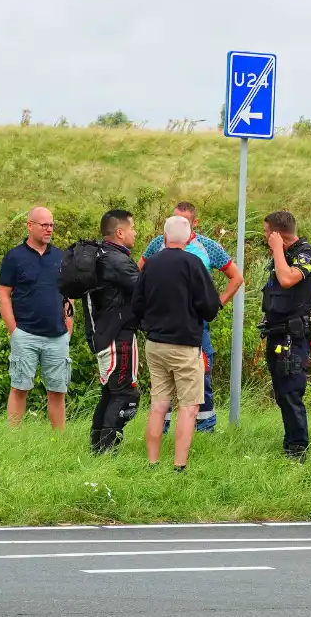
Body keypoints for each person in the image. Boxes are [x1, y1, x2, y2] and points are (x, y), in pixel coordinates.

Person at [139, 201, 243, 434]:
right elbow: (139, 274)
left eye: (184, 220)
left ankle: (205, 427)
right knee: (161, 378)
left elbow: (236, 277)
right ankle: (162, 427)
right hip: (161, 324)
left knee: (202, 372)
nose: (178, 224)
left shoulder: (208, 247)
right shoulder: (157, 244)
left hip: (196, 324)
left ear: (195, 223)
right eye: (174, 218)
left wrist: (216, 306)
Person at [132, 215, 221, 471]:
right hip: (184, 345)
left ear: (165, 235)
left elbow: (136, 304)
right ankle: (179, 466)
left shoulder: (150, 264)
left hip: (155, 344)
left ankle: (152, 462)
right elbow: (210, 307)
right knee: (189, 407)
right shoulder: (193, 264)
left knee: (159, 403)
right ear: (189, 235)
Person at [0, 206, 74, 431]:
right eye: (44, 225)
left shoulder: (61, 257)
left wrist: (69, 326)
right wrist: (14, 331)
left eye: (52, 225)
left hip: (57, 336)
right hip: (26, 335)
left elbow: (67, 294)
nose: (49, 229)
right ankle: (14, 440)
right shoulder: (14, 257)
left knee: (58, 391)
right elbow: (3, 293)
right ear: (29, 226)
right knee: (19, 388)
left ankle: (59, 443)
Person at [258, 210, 311, 463]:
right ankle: (290, 444)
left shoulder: (308, 255)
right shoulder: (283, 256)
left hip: (294, 337)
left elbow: (287, 280)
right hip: (277, 333)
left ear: (276, 233)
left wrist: (276, 249)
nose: (265, 238)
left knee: (291, 392)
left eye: (267, 233)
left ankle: (298, 451)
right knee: (282, 392)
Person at [79, 209, 141, 453]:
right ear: (119, 232)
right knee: (125, 394)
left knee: (111, 392)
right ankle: (108, 450)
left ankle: (98, 447)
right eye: (132, 228)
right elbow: (144, 292)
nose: (135, 233)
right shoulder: (116, 261)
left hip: (103, 332)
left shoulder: (99, 255)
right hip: (117, 335)